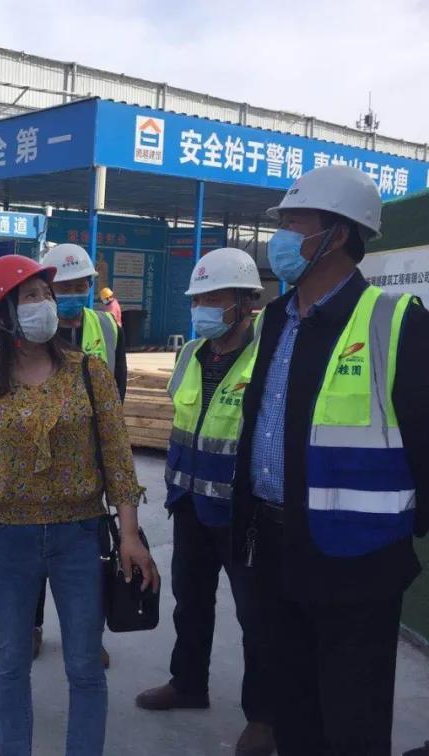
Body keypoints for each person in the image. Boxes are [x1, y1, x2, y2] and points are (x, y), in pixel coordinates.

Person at [233, 164, 429, 755]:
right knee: (295, 714)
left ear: (337, 235)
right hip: (275, 549)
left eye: (294, 223)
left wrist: (403, 532)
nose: (280, 237)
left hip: (359, 562)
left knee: (352, 724)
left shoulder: (397, 321)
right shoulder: (275, 319)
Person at [0, 254, 157, 756]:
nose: (45, 303)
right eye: (31, 296)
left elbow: (118, 458)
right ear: (3, 312)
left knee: (84, 664)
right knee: (10, 662)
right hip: (8, 539)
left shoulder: (89, 373)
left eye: (47, 293)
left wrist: (130, 535)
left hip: (79, 535)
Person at [135, 247, 275, 756]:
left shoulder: (268, 356)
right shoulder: (191, 353)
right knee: (191, 603)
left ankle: (264, 716)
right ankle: (188, 683)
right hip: (189, 504)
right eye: (198, 299)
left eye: (214, 298)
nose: (203, 308)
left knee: (257, 618)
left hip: (244, 516)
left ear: (245, 302)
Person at [32, 243, 127, 662]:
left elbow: (118, 390)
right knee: (36, 546)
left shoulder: (106, 326)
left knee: (90, 553)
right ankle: (32, 626)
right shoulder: (34, 326)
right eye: (64, 286)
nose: (74, 293)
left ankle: (89, 634)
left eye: (80, 285)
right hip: (39, 456)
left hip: (90, 459)